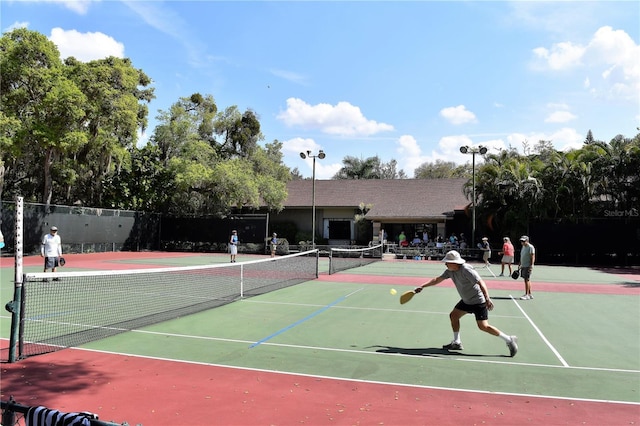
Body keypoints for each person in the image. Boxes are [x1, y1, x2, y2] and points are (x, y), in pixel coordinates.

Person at [414, 250, 518, 357]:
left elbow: (481, 282)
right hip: (466, 301)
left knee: (483, 326)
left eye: (447, 262)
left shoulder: (466, 269)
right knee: (453, 315)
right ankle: (457, 342)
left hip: (478, 301)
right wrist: (422, 286)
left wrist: (487, 298)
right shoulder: (450, 271)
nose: (445, 263)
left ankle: (509, 339)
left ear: (455, 263)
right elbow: (437, 279)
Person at [518, 235, 536, 300]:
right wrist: (520, 263)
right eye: (521, 241)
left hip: (528, 266)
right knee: (527, 280)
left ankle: (527, 295)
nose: (522, 242)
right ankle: (530, 294)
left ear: (527, 241)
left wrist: (531, 266)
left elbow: (532, 256)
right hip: (523, 265)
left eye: (523, 241)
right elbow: (522, 255)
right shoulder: (523, 246)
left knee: (526, 280)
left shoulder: (530, 247)